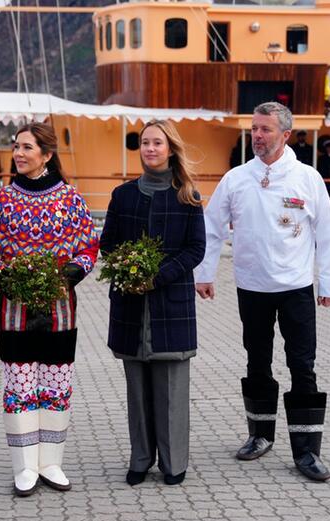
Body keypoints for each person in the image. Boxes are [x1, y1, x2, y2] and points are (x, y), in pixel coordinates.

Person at [195, 102, 330, 482]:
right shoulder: (237, 178)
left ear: (285, 135)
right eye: (254, 128)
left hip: (296, 290)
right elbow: (212, 228)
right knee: (257, 362)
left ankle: (307, 451)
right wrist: (204, 273)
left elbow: (326, 235)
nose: (257, 135)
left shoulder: (307, 178)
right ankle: (259, 435)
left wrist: (329, 283)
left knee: (302, 366)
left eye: (265, 129)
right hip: (252, 287)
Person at [0, 122, 99, 496]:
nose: (18, 153)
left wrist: (70, 275)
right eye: (16, 147)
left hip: (61, 309)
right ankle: (25, 466)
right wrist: (6, 279)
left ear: (46, 155)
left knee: (57, 385)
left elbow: (89, 245)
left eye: (27, 148)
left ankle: (51, 462)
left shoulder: (70, 198)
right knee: (20, 387)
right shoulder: (2, 199)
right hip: (14, 311)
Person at [98, 119, 205, 486]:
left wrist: (157, 275)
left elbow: (196, 249)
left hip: (170, 302)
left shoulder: (187, 194)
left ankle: (174, 463)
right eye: (145, 143)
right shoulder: (123, 195)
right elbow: (107, 243)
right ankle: (141, 458)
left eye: (158, 143)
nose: (150, 149)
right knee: (138, 390)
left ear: (171, 148)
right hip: (130, 304)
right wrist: (127, 269)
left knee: (171, 390)